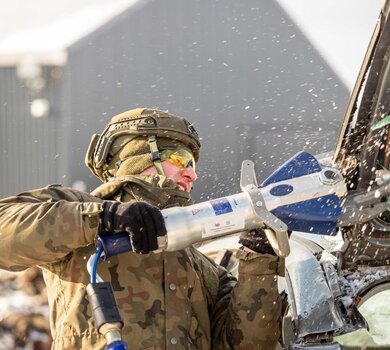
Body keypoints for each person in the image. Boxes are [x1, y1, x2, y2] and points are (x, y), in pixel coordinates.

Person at [0, 108, 285, 349]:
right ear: (139, 158)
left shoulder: (203, 267)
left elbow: (248, 344)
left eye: (193, 164)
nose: (192, 173)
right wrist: (103, 217)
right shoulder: (80, 211)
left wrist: (258, 260)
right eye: (178, 159)